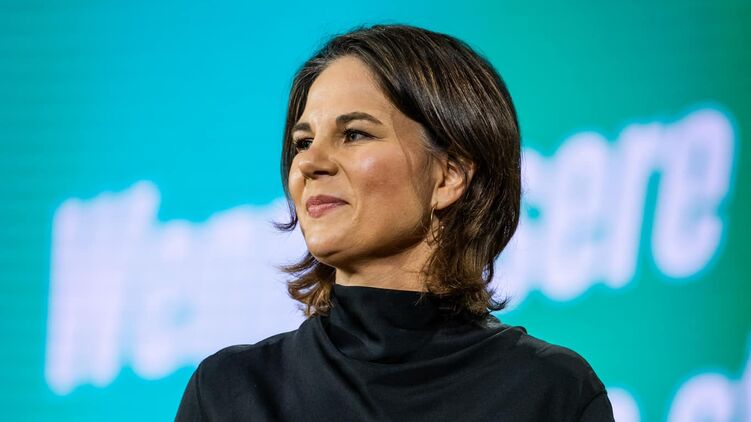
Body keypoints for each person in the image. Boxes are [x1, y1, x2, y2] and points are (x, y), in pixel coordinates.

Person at [175, 23, 615, 421]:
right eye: (303, 141)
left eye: (354, 134)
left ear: (449, 176)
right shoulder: (230, 393)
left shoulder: (550, 391)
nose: (309, 163)